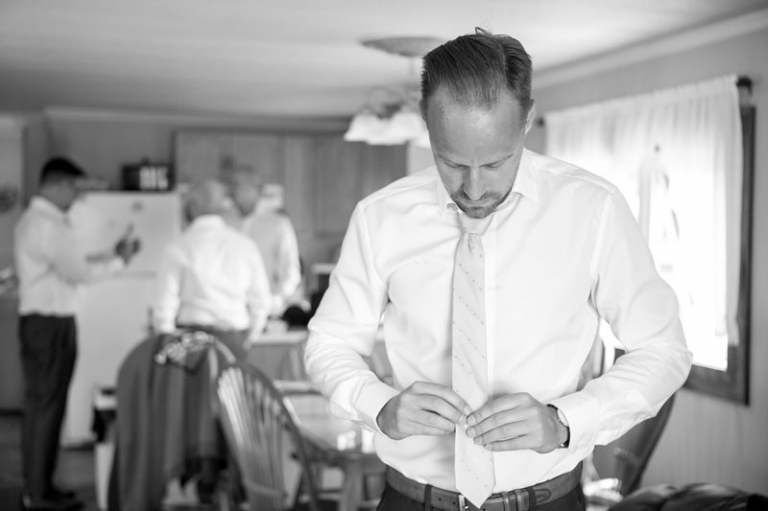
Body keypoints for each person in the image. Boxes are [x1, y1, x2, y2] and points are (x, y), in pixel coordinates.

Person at [304, 28, 693, 511]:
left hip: (549, 501)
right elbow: (330, 341)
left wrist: (564, 422)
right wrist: (378, 405)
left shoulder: (594, 210)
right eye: (450, 162)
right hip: (412, 499)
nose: (471, 188)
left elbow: (664, 349)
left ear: (527, 119)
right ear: (426, 120)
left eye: (495, 163)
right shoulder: (380, 217)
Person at [14, 157, 141, 511]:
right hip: (49, 325)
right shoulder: (48, 224)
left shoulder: (38, 221)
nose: (75, 196)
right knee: (46, 409)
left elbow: (72, 261)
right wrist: (121, 262)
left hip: (44, 323)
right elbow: (80, 272)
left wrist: (111, 255)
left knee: (43, 409)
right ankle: (38, 494)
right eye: (73, 188)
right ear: (57, 185)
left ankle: (39, 489)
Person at [152, 178, 272, 358]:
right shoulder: (246, 246)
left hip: (189, 341)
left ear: (193, 207)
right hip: (234, 338)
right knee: (229, 386)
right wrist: (248, 339)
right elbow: (262, 302)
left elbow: (164, 305)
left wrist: (167, 344)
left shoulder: (178, 247)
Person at [222, 167, 302, 317]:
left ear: (256, 189)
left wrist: (274, 300)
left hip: (267, 312)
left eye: (236, 185)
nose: (230, 191)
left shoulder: (278, 223)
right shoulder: (222, 222)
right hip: (229, 313)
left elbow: (291, 271)